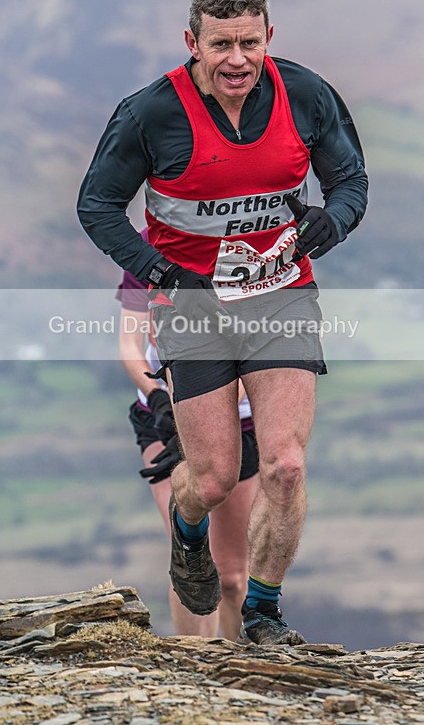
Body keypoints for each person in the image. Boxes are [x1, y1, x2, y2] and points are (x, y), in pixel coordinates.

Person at [78, 0, 368, 645]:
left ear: (267, 34)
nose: (236, 60)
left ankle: (264, 612)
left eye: (248, 43)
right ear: (192, 42)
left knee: (285, 464)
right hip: (195, 308)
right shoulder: (151, 113)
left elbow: (349, 178)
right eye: (219, 46)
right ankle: (187, 540)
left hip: (280, 294)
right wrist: (154, 269)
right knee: (208, 480)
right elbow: (96, 206)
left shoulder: (305, 96)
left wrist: (334, 220)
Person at [117, 229, 259, 641]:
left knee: (232, 575)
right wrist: (161, 401)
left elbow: (258, 355)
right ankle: (193, 670)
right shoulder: (147, 245)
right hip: (161, 417)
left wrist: (203, 419)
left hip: (240, 420)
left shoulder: (254, 243)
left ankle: (237, 667)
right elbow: (130, 344)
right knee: (191, 557)